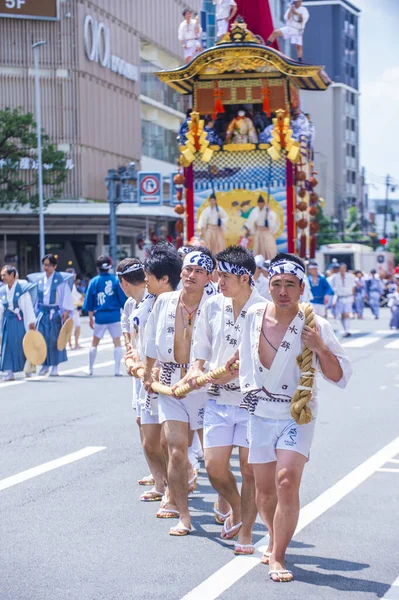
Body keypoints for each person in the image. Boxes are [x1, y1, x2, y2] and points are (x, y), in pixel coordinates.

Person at [229, 252, 351, 582]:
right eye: (277, 284)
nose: (283, 291)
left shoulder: (315, 324)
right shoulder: (253, 316)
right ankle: (273, 534)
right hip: (261, 412)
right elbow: (242, 360)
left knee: (286, 481)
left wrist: (320, 348)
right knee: (265, 490)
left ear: (301, 289)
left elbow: (339, 376)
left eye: (290, 285)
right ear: (268, 286)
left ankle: (278, 556)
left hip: (298, 413)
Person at [182, 246, 264, 554]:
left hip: (250, 402)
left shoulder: (263, 309)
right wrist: (195, 369)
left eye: (225, 276)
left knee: (249, 469)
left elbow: (264, 356)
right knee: (215, 467)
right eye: (218, 274)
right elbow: (200, 348)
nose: (219, 281)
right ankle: (236, 506)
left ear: (244, 278)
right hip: (216, 398)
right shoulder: (213, 305)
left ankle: (246, 534)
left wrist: (237, 373)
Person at [143, 248, 217, 536]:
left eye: (199, 271)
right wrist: (149, 370)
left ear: (209, 276)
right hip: (171, 379)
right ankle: (183, 514)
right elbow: (150, 338)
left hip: (205, 383)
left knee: (214, 457)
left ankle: (225, 503)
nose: (191, 275)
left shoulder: (216, 305)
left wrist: (207, 373)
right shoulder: (164, 301)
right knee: (175, 451)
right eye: (188, 269)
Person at [125, 245, 182, 505]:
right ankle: (160, 481)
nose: (144, 279)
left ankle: (173, 490)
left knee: (167, 442)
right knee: (149, 441)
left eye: (148, 275)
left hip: (169, 378)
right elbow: (138, 335)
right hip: (145, 377)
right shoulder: (145, 300)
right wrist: (136, 361)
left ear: (165, 279)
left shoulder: (180, 302)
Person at [27, 254, 74, 376]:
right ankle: (44, 365)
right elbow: (36, 298)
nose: (46, 267)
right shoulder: (39, 280)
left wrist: (66, 312)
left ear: (54, 266)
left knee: (54, 340)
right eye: (45, 265)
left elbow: (67, 297)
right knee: (41, 339)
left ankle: (54, 366)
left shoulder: (61, 280)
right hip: (42, 313)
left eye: (48, 265)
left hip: (55, 313)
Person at [83, 255, 127, 376]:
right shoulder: (116, 280)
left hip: (100, 316)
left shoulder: (94, 281)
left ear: (97, 268)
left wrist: (90, 317)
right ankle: (117, 370)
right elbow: (122, 299)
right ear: (110, 266)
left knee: (94, 342)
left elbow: (90, 301)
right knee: (117, 342)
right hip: (114, 315)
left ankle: (90, 368)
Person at [0, 265, 36, 382]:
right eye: (1, 275)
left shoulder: (22, 289)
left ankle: (27, 369)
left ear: (12, 275)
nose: (2, 277)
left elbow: (27, 307)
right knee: (7, 346)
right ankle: (9, 372)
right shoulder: (2, 290)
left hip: (19, 321)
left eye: (4, 275)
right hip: (7, 321)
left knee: (22, 344)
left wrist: (31, 323)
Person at [330, 263, 356, 337]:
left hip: (348, 297)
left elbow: (353, 287)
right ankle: (345, 329)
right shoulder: (335, 277)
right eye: (341, 268)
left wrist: (354, 296)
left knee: (347, 314)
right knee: (342, 314)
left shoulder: (350, 276)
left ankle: (347, 330)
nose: (342, 270)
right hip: (340, 297)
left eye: (343, 268)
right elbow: (332, 287)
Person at [66, 268, 83, 350]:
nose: (75, 276)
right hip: (70, 309)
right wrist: (80, 299)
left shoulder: (71, 284)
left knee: (76, 326)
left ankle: (75, 343)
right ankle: (71, 344)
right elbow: (73, 297)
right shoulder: (68, 285)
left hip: (74, 308)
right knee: (71, 327)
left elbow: (76, 295)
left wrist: (81, 297)